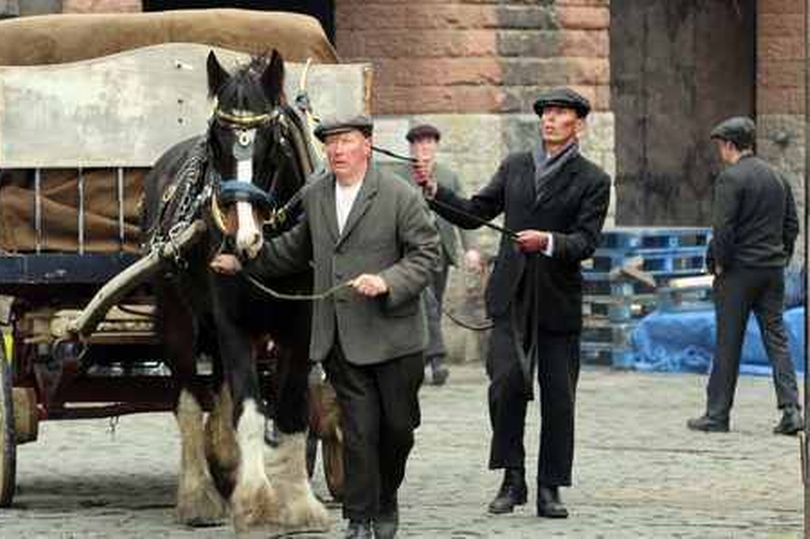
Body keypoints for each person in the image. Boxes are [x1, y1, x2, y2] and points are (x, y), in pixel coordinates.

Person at [211, 114, 441, 539]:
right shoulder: (317, 195)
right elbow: (293, 251)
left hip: (394, 339)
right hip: (340, 337)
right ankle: (358, 517)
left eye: (346, 141)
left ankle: (386, 497)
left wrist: (388, 281)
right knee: (357, 430)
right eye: (330, 143)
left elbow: (427, 254)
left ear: (366, 146)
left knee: (398, 430)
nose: (337, 150)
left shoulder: (399, 195)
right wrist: (242, 260)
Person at [412, 88, 610, 519]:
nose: (550, 120)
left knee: (559, 396)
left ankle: (550, 487)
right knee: (505, 388)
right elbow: (476, 211)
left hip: (557, 300)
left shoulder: (594, 180)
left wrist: (549, 242)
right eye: (546, 113)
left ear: (578, 123)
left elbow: (586, 241)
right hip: (510, 294)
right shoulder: (516, 165)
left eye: (560, 113)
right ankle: (512, 478)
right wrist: (433, 191)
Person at [687, 116, 802, 436]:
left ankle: (717, 414)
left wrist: (719, 263)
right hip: (771, 271)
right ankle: (791, 409)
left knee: (728, 342)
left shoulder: (731, 179)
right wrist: (781, 257)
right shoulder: (777, 177)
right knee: (776, 338)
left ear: (728, 145)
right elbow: (791, 225)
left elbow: (723, 228)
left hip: (738, 273)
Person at [395, 123, 482, 385]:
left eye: (429, 143)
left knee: (432, 306)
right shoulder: (398, 176)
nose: (424, 149)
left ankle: (419, 359)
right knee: (427, 303)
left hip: (440, 252)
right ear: (410, 147)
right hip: (410, 253)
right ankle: (437, 358)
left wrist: (471, 249)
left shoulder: (448, 176)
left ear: (436, 147)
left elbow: (464, 213)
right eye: (419, 144)